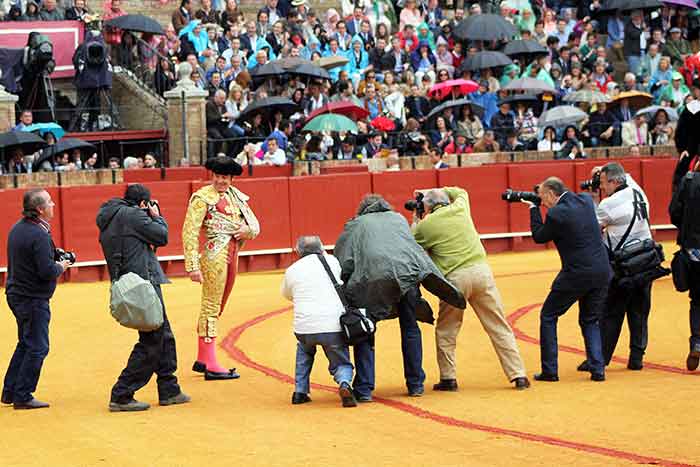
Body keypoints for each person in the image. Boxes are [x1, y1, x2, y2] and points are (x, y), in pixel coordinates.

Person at [334, 194, 465, 401]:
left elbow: (344, 261)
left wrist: (346, 284)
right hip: (407, 277)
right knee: (410, 328)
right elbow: (413, 249)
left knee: (365, 330)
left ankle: (365, 389)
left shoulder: (356, 225)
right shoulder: (398, 219)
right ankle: (415, 384)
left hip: (371, 280)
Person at [413, 188, 529, 391]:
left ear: (427, 206)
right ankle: (518, 374)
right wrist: (433, 191)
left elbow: (411, 243)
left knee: (447, 330)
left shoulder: (426, 225)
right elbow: (461, 191)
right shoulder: (460, 206)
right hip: (481, 272)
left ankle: (448, 378)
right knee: (498, 326)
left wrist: (416, 217)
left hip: (454, 280)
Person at [97, 184, 190, 412]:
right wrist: (157, 217)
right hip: (142, 285)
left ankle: (169, 387)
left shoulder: (110, 216)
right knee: (153, 339)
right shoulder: (134, 216)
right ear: (143, 203)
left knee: (163, 333)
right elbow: (162, 237)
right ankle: (122, 393)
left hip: (129, 284)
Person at [522, 177, 612, 382]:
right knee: (590, 320)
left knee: (548, 315)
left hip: (576, 273)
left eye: (543, 197)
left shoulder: (556, 213)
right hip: (601, 270)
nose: (542, 201)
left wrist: (533, 209)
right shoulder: (585, 200)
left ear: (552, 194)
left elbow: (539, 236)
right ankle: (598, 369)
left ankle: (550, 370)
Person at [182, 156, 260, 380]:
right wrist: (192, 266)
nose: (220, 181)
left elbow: (255, 226)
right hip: (214, 254)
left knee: (218, 305)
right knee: (211, 304)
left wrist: (247, 231)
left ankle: (204, 357)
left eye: (224, 177)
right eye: (217, 176)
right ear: (212, 176)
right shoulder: (202, 197)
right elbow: (190, 231)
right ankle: (210, 363)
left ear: (231, 178)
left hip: (232, 252)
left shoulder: (236, 196)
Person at [2, 189, 70, 410]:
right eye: (50, 202)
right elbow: (46, 271)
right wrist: (61, 265)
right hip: (32, 298)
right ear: (40, 209)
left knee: (26, 343)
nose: (53, 205)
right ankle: (23, 395)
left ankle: (10, 391)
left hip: (17, 294)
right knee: (38, 346)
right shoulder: (39, 234)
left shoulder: (18, 229)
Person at [281, 236, 357, 408]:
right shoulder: (332, 261)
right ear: (322, 249)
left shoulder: (292, 269)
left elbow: (286, 294)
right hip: (333, 326)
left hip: (304, 327)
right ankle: (344, 383)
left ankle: (300, 391)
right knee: (340, 359)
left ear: (297, 252)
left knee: (304, 349)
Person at [669, 146, 700, 371]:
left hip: (693, 250)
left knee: (697, 300)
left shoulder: (689, 181)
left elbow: (674, 212)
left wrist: (686, 230)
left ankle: (697, 341)